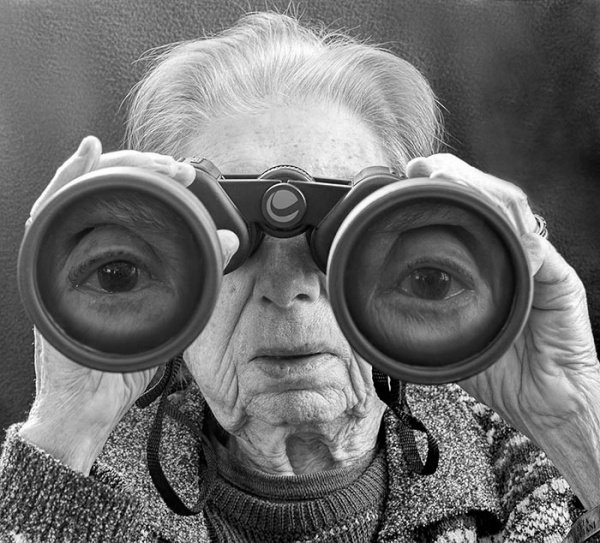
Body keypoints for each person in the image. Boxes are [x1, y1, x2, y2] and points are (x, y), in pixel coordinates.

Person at [1, 11, 599, 543]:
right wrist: (65, 436)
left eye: (348, 242)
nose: (287, 288)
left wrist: (577, 422)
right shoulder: (77, 482)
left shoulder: (533, 482)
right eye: (225, 242)